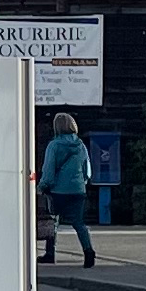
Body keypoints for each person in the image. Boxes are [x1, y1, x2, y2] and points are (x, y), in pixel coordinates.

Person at [38, 112, 95, 267]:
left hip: (58, 191)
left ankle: (50, 253)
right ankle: (89, 253)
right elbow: (87, 169)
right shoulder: (81, 145)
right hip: (78, 190)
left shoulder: (54, 145)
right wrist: (82, 182)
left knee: (53, 221)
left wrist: (42, 186)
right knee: (78, 223)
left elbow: (49, 169)